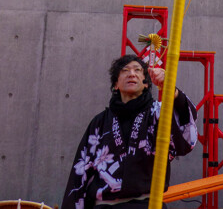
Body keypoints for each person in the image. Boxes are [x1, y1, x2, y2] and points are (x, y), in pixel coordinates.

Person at [60, 55, 198, 209]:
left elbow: (184, 142)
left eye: (137, 70)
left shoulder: (158, 113)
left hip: (147, 205)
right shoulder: (99, 122)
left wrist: (171, 89)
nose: (132, 74)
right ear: (116, 84)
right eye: (125, 70)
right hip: (104, 206)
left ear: (146, 84)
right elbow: (81, 172)